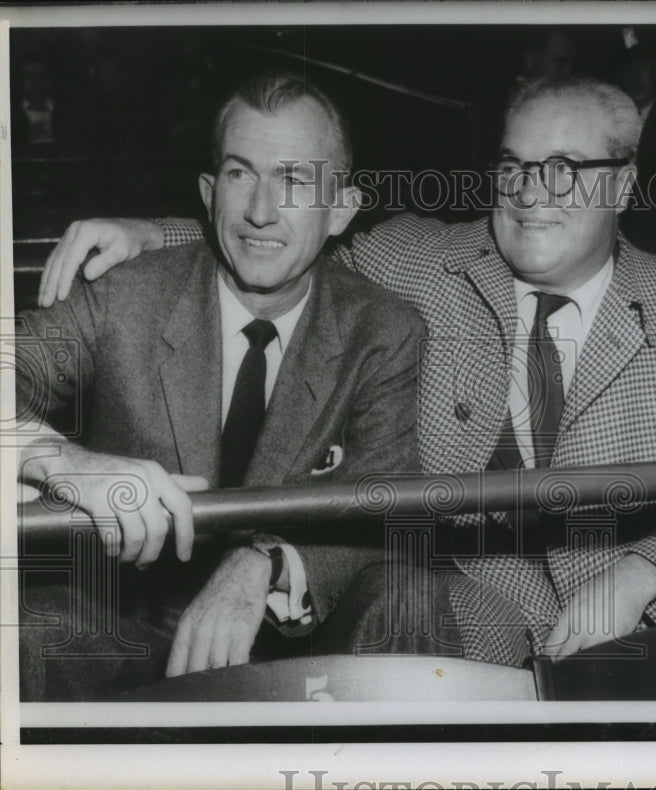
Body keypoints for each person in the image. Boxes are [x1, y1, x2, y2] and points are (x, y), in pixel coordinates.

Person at [38, 75, 656, 670]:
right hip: (475, 607)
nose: (531, 195)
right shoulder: (420, 261)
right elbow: (290, 249)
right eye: (514, 167)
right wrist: (149, 233)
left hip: (645, 607)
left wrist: (640, 579)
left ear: (624, 187)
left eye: (565, 171)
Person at [16, 71, 425, 699]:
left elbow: (384, 502)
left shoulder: (383, 329)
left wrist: (264, 561)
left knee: (410, 603)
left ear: (340, 208)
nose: (260, 211)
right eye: (240, 174)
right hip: (122, 632)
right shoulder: (127, 297)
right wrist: (67, 463)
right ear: (210, 193)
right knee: (27, 629)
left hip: (297, 647)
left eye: (292, 180)